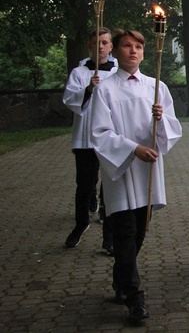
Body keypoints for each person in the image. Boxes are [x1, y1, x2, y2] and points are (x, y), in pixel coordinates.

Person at [90, 29, 182, 324]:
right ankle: (134, 297)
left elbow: (173, 129)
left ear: (145, 52)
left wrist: (161, 119)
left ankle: (121, 280)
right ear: (115, 51)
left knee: (139, 232)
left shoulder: (156, 87)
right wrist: (133, 149)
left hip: (148, 172)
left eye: (138, 46)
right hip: (122, 171)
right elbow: (99, 133)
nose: (133, 51)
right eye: (126, 46)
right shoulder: (105, 89)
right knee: (125, 233)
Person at [62, 27, 118, 251]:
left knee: (111, 183)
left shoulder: (117, 71)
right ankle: (81, 224)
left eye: (105, 43)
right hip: (85, 137)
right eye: (96, 43)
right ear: (89, 45)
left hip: (108, 134)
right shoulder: (80, 72)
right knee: (84, 184)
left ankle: (109, 235)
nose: (100, 47)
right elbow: (70, 99)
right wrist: (88, 89)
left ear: (111, 46)